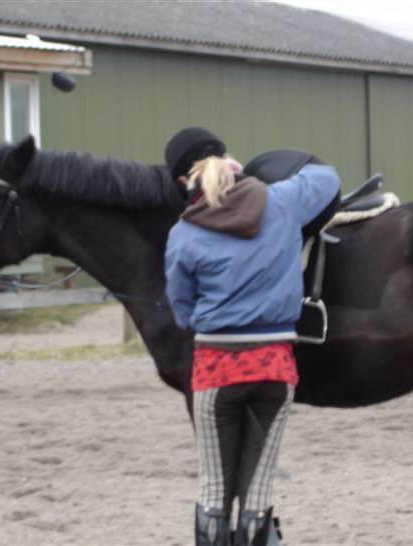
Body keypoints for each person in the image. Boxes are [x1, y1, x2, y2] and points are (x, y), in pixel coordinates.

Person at [163, 127, 340, 546]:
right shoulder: (280, 203)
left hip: (216, 368)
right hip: (275, 367)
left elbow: (181, 308)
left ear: (181, 182)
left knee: (214, 490)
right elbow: (328, 178)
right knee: (257, 494)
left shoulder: (183, 235)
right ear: (228, 161)